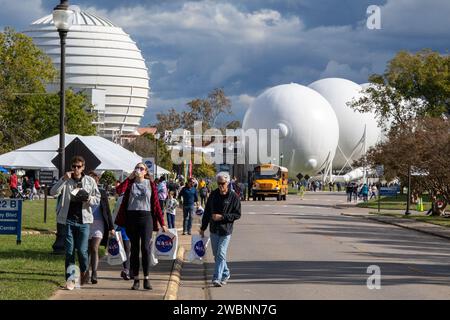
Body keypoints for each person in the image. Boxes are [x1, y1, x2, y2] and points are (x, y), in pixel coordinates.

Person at [114, 163, 168, 290]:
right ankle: (136, 279)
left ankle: (147, 278)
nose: (139, 170)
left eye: (141, 168)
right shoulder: (130, 184)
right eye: (137, 168)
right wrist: (129, 177)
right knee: (134, 249)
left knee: (145, 248)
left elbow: (156, 204)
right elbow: (118, 190)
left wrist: (162, 223)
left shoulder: (150, 184)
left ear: (146, 172)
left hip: (146, 217)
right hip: (131, 217)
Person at [49, 156, 101, 287]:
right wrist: (63, 179)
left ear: (83, 167)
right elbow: (53, 192)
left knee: (83, 252)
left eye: (79, 166)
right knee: (69, 252)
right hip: (68, 220)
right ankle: (71, 279)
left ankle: (84, 270)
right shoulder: (66, 180)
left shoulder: (89, 181)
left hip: (84, 221)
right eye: (74, 166)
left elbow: (98, 199)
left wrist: (88, 198)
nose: (76, 169)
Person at [200, 172, 241, 287]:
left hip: (226, 230)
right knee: (216, 255)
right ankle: (226, 273)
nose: (220, 186)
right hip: (214, 229)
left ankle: (216, 278)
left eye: (222, 183)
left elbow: (237, 214)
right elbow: (207, 212)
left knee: (221, 253)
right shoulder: (213, 195)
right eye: (218, 183)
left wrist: (222, 217)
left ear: (227, 183)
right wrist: (203, 228)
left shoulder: (234, 197)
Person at [87, 171, 115, 284]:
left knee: (94, 248)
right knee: (86, 250)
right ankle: (85, 271)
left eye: (94, 179)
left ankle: (94, 272)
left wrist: (111, 227)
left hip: (99, 224)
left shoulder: (102, 192)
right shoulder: (83, 192)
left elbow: (107, 211)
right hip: (86, 223)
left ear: (97, 181)